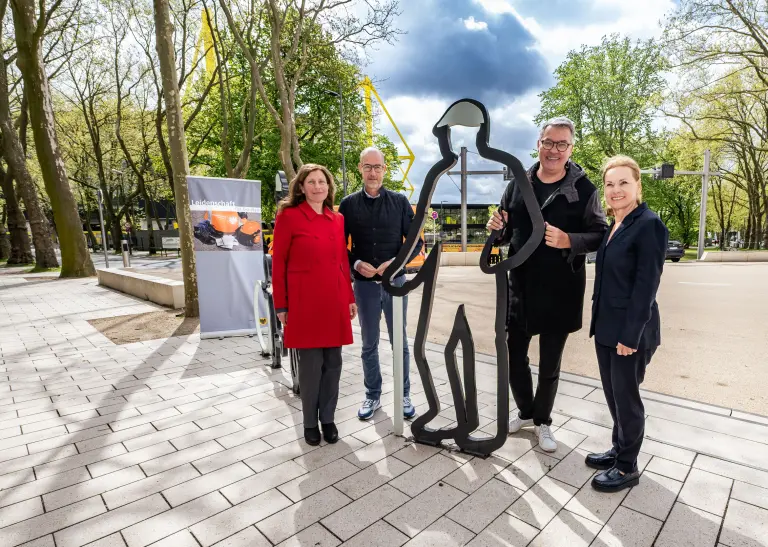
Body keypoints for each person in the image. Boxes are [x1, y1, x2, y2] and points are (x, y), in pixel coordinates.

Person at [487, 117, 608, 452]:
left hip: (561, 288)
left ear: (571, 149)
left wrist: (569, 239)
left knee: (550, 363)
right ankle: (526, 411)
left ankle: (543, 421)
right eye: (548, 142)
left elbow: (600, 233)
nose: (554, 150)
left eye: (561, 144)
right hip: (521, 286)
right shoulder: (516, 185)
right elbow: (506, 233)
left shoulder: (584, 189)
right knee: (515, 356)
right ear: (538, 144)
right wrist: (496, 226)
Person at [586, 155, 668, 492]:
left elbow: (646, 286)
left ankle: (627, 466)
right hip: (606, 329)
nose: (616, 190)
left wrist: (630, 335)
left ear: (638, 185)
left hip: (629, 333)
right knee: (613, 395)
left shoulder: (648, 224)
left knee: (627, 399)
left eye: (623, 183)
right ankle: (619, 448)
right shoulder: (614, 225)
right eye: (610, 184)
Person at [272, 164, 358, 446]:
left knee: (333, 364)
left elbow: (342, 263)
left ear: (329, 187)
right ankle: (310, 423)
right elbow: (279, 263)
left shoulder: (338, 219)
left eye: (322, 182)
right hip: (303, 303)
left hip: (334, 302)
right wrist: (281, 306)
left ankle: (328, 420)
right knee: (310, 367)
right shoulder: (289, 216)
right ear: (301, 187)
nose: (318, 187)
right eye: (312, 182)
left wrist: (349, 298)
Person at [338, 147, 423, 420]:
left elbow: (415, 243)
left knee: (400, 343)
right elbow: (338, 246)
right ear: (360, 169)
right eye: (367, 167)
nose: (373, 172)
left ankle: (404, 394)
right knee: (368, 344)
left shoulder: (400, 202)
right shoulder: (347, 204)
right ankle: (372, 396)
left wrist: (395, 263)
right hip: (364, 286)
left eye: (378, 167)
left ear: (385, 170)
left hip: (395, 283)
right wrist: (355, 263)